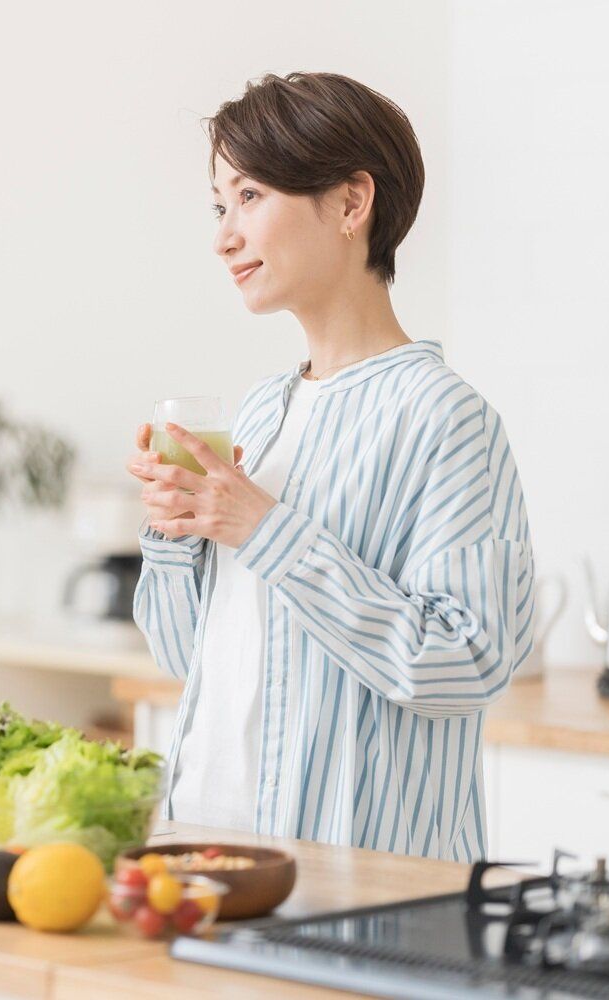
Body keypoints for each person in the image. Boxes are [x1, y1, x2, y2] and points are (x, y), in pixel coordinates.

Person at [128, 72, 534, 861]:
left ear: (352, 202)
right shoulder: (259, 413)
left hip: (358, 884)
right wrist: (175, 532)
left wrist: (265, 531)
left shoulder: (444, 417)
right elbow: (188, 658)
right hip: (208, 853)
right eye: (220, 206)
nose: (224, 237)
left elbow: (467, 663)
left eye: (250, 196)